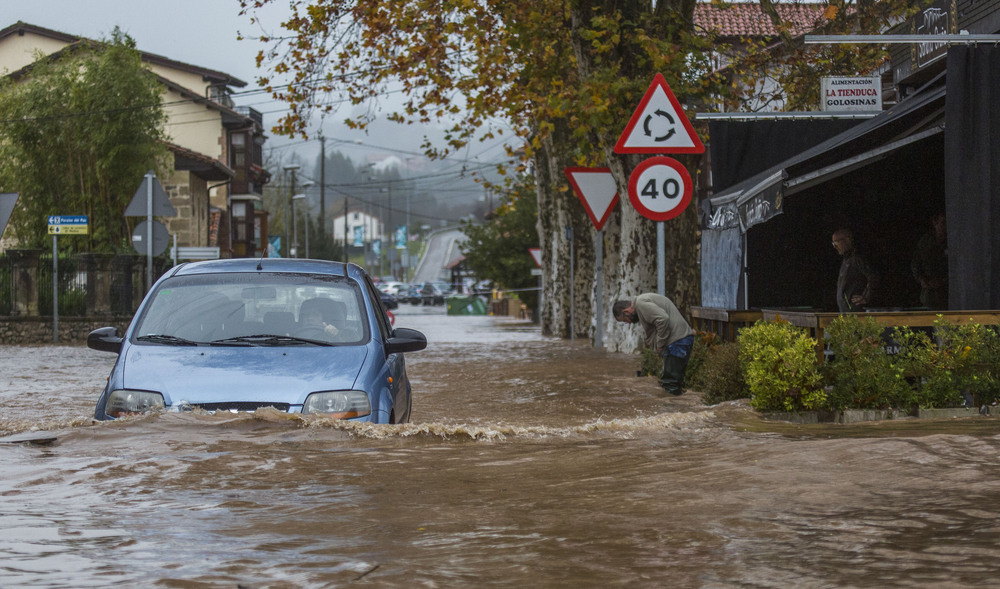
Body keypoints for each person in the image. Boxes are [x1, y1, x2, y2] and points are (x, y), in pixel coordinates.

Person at [613, 294, 695, 396]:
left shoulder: (641, 304)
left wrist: (660, 344)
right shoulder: (642, 302)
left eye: (625, 320)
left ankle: (670, 409)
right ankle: (681, 409)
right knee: (677, 382)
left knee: (670, 384)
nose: (628, 323)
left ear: (626, 312)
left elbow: (663, 319)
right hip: (681, 340)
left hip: (676, 342)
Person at [832, 228, 878, 313]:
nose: (834, 246)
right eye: (833, 243)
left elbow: (873, 277)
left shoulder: (857, 259)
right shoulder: (846, 260)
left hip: (855, 313)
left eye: (836, 242)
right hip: (846, 313)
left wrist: (866, 297)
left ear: (847, 239)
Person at [911, 211, 948, 310]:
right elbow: (915, 263)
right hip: (929, 293)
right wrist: (921, 279)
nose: (945, 227)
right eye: (943, 223)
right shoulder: (925, 242)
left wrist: (943, 280)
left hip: (947, 293)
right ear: (935, 223)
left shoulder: (952, 242)